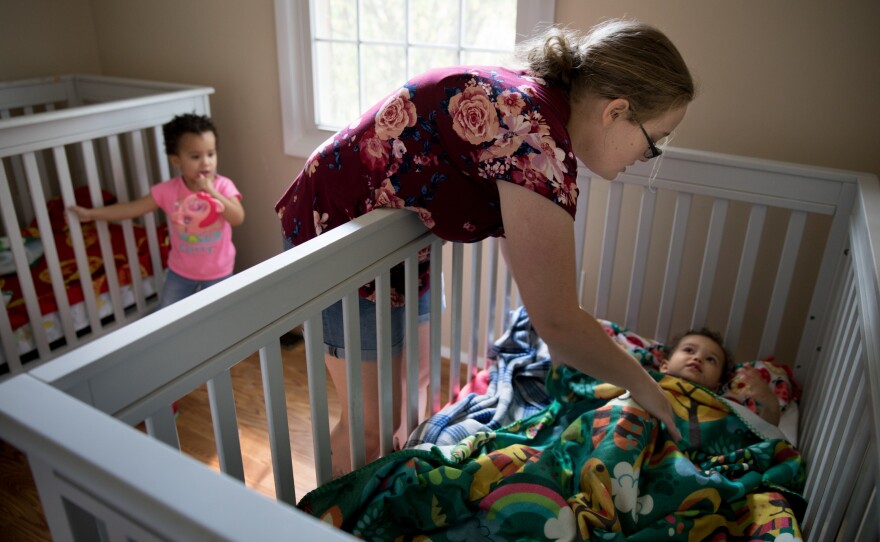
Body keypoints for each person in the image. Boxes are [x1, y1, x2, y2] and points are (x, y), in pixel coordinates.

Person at [276, 18, 695, 476]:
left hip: (395, 243)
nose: (647, 158)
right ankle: (329, 521)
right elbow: (557, 320)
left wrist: (570, 342)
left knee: (409, 402)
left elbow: (542, 293)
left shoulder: (538, 113)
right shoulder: (535, 138)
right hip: (339, 234)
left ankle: (383, 493)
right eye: (655, 143)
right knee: (372, 427)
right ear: (615, 111)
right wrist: (648, 388)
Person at [68, 113, 245, 309]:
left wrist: (212, 192)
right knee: (168, 315)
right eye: (196, 156)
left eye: (211, 154)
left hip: (218, 271)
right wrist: (92, 214)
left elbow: (237, 218)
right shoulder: (168, 191)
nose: (206, 163)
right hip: (180, 272)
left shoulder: (223, 186)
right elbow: (131, 208)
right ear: (176, 160)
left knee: (219, 316)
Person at [658, 328, 781, 425]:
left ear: (717, 386)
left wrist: (770, 405)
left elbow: (762, 438)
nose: (698, 358)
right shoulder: (650, 381)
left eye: (711, 359)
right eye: (689, 350)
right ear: (664, 366)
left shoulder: (721, 407)